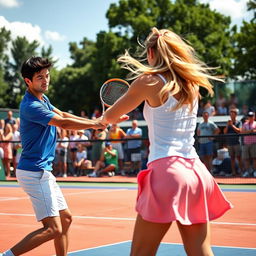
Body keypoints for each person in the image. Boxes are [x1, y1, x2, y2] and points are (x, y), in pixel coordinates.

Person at [100, 27, 232, 256]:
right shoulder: (191, 84)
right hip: (197, 173)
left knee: (141, 253)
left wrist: (106, 117)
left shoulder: (148, 81)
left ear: (151, 53)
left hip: (167, 172)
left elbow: (109, 118)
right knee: (200, 251)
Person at [1, 56, 107, 256]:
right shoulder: (31, 106)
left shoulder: (43, 99)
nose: (45, 80)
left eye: (47, 76)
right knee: (53, 228)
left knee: (65, 219)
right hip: (34, 172)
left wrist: (97, 121)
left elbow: (65, 116)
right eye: (40, 77)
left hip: (42, 172)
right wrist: (95, 124)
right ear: (28, 81)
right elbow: (63, 124)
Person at [223, 108, 243, 176]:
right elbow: (225, 132)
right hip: (229, 143)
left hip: (237, 143)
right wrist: (227, 125)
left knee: (239, 157)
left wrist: (232, 125)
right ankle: (233, 172)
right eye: (230, 114)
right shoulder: (228, 123)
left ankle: (241, 172)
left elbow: (239, 131)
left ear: (236, 115)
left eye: (233, 114)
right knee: (232, 158)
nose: (231, 115)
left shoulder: (239, 122)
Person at [241, 111, 256, 177]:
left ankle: (255, 171)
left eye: (252, 116)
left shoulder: (255, 123)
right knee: (246, 158)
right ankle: (247, 171)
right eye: (249, 116)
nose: (251, 117)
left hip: (254, 143)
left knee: (254, 158)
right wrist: (250, 131)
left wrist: (251, 131)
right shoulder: (245, 124)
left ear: (254, 117)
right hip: (246, 143)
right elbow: (242, 132)